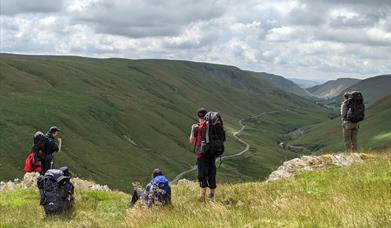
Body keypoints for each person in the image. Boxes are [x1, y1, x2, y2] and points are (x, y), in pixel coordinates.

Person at [189, 108, 217, 201]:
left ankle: (202, 197)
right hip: (212, 154)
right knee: (211, 173)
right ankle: (212, 196)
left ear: (198, 116)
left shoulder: (197, 127)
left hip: (201, 155)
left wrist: (192, 130)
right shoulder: (212, 126)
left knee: (202, 175)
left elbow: (191, 141)